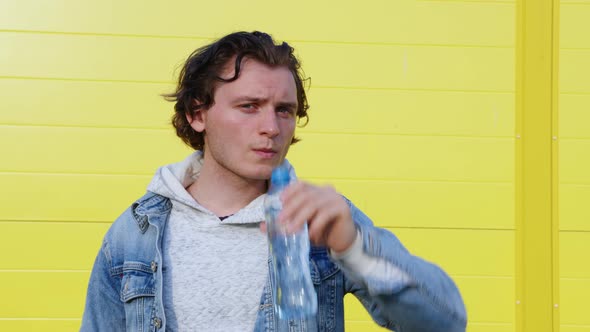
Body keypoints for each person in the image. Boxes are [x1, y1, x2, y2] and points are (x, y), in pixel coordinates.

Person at [80, 31, 467, 332]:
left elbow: (444, 321)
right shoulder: (134, 233)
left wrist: (355, 246)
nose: (271, 128)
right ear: (197, 114)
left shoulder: (322, 221)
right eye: (249, 106)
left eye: (285, 110)